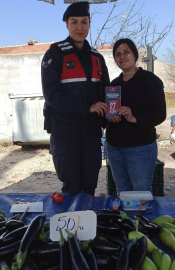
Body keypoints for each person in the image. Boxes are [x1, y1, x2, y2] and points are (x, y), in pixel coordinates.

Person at [41, 1, 110, 196]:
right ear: (66, 25)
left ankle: (87, 223)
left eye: (84, 22)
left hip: (91, 133)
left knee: (89, 186)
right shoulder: (55, 53)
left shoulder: (98, 57)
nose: (79, 27)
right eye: (74, 22)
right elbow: (52, 95)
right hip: (66, 132)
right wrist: (87, 107)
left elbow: (106, 90)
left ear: (89, 24)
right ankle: (71, 226)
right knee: (71, 187)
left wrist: (110, 115)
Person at [106, 38, 166, 194]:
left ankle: (140, 219)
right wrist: (110, 116)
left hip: (140, 147)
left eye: (126, 52)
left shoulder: (150, 81)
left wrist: (135, 118)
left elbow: (160, 114)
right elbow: (109, 112)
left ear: (134, 55)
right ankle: (126, 219)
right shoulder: (113, 84)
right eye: (118, 54)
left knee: (140, 192)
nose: (122, 57)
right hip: (114, 147)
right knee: (122, 190)